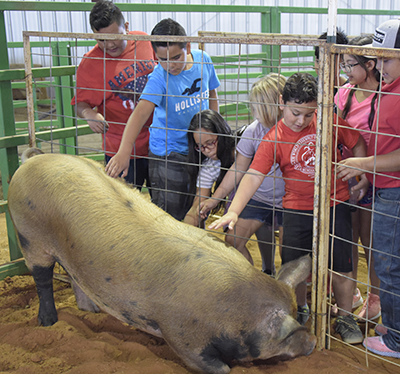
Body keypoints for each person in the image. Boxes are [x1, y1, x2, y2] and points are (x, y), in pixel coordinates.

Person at [209, 73, 368, 344]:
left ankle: (344, 316)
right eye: (296, 112)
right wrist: (234, 210)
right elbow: (253, 175)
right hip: (295, 209)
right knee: (295, 266)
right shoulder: (273, 138)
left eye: (309, 114)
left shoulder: (328, 122)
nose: (302, 120)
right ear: (282, 103)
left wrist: (361, 171)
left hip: (335, 202)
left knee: (341, 265)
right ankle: (301, 309)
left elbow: (357, 142)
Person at [106, 18, 220, 221]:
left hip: (198, 150)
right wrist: (124, 151)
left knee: (196, 210)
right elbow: (140, 114)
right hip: (169, 153)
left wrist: (215, 131)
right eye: (162, 59)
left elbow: (212, 95)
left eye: (176, 57)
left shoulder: (204, 60)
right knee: (170, 217)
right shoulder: (159, 77)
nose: (170, 65)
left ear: (188, 46)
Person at [337, 18, 400, 359]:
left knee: (386, 259)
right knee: (378, 253)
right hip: (371, 182)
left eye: (386, 58)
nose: (380, 65)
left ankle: (395, 335)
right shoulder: (383, 89)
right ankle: (390, 320)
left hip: (388, 186)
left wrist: (362, 166)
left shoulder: (392, 90)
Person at [199, 73, 286, 275]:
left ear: (272, 106)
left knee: (289, 250)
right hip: (259, 197)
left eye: (257, 107)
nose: (254, 112)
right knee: (232, 241)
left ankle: (300, 301)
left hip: (290, 201)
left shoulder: (293, 131)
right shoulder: (253, 131)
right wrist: (214, 199)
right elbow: (238, 169)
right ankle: (256, 285)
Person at [71, 0, 155, 189]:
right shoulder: (89, 64)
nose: (109, 45)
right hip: (120, 151)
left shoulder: (144, 41)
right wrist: (89, 114)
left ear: (126, 27)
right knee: (124, 209)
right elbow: (80, 103)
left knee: (162, 202)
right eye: (101, 39)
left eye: (114, 36)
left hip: (157, 144)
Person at [334, 35, 381, 322]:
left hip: (378, 174)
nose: (346, 70)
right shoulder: (345, 93)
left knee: (370, 240)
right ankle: (350, 294)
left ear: (371, 64)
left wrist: (366, 173)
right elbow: (338, 130)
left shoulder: (388, 95)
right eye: (345, 64)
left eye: (351, 64)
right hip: (346, 173)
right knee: (347, 236)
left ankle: (375, 298)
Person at [184, 109, 235, 229]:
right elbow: (198, 201)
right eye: (200, 146)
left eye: (210, 143)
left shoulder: (241, 152)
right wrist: (185, 230)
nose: (206, 150)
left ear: (221, 133)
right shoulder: (209, 167)